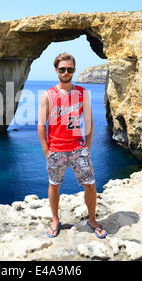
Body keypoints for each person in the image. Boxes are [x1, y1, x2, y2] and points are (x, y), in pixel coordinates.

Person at [37, 52, 107, 239]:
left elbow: (89, 121)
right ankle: (54, 219)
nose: (66, 72)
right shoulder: (48, 95)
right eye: (62, 69)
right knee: (54, 185)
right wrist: (47, 151)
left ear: (74, 70)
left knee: (90, 185)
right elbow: (41, 125)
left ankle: (92, 219)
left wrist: (88, 147)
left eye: (69, 69)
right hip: (56, 150)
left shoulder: (82, 94)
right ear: (56, 70)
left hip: (78, 149)